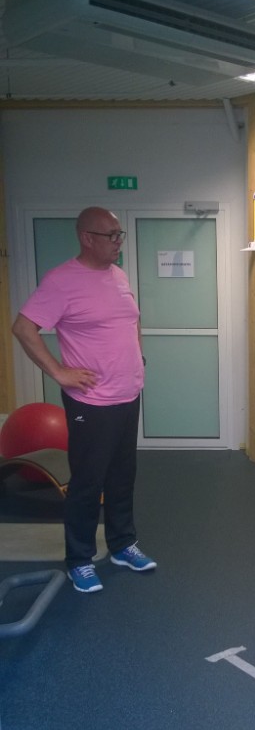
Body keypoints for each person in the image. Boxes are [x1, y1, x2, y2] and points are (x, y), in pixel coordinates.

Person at [12, 206, 157, 594]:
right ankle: (79, 559)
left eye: (120, 234)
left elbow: (132, 319)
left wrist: (136, 355)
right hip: (92, 402)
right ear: (86, 237)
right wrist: (59, 372)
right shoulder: (61, 281)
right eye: (111, 235)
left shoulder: (119, 276)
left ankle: (123, 545)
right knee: (88, 482)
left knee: (123, 476)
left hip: (127, 394)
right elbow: (23, 328)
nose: (118, 242)